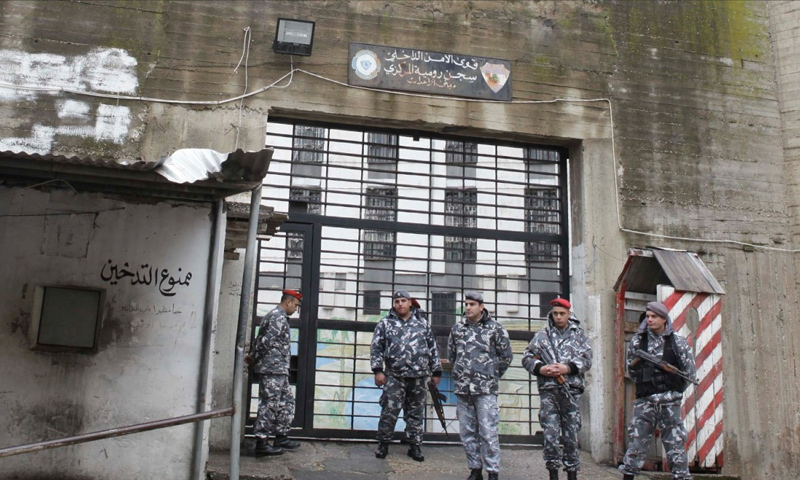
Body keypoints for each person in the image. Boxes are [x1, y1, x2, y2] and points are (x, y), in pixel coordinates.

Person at [619, 301, 697, 480]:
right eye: (647, 316)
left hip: (669, 403)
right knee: (636, 445)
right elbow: (632, 370)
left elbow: (689, 373)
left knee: (676, 447)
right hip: (645, 402)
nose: (649, 320)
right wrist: (647, 386)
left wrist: (673, 392)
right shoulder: (638, 341)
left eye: (654, 317)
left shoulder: (678, 342)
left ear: (664, 319)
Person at [522, 297, 593, 480]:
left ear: (569, 314)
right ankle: (552, 472)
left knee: (571, 436)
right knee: (550, 435)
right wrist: (541, 368)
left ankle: (572, 473)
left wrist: (567, 368)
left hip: (571, 391)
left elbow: (587, 360)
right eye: (555, 314)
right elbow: (527, 357)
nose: (559, 317)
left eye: (562, 313)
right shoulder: (542, 336)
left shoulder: (579, 336)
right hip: (549, 391)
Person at [371, 289, 442, 461]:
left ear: (410, 302)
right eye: (397, 301)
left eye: (403, 301)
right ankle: (383, 444)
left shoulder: (423, 323)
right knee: (389, 411)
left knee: (415, 413)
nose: (400, 304)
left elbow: (432, 348)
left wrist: (436, 371)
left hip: (419, 377)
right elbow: (376, 348)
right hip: (394, 377)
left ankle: (414, 446)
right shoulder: (385, 323)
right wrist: (378, 370)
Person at [448, 291, 513, 480]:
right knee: (467, 431)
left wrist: (491, 374)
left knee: (488, 431)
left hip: (485, 390)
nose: (468, 307)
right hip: (463, 389)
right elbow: (452, 356)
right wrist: (460, 374)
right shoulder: (457, 329)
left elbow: (506, 356)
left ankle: (492, 471)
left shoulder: (495, 328)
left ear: (481, 307)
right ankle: (475, 469)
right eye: (466, 304)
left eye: (472, 304)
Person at [244, 289, 303, 456]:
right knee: (269, 404)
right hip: (272, 369)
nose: (296, 309)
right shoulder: (277, 317)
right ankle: (262, 442)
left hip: (279, 369)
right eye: (295, 305)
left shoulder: (279, 317)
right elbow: (265, 341)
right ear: (288, 302)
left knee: (286, 402)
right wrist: (253, 358)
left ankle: (281, 436)